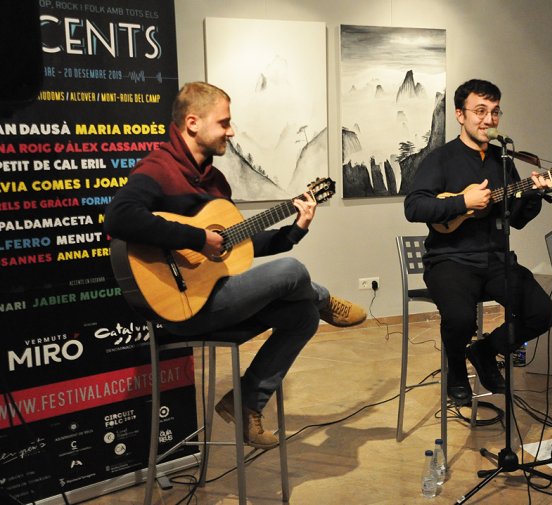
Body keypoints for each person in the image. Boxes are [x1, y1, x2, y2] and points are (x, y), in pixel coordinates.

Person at [104, 82, 367, 448]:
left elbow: (235, 246)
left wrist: (295, 229)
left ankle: (245, 402)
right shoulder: (159, 168)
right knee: (293, 272)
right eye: (224, 122)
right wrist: (197, 239)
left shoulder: (214, 181)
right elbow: (118, 219)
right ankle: (324, 298)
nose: (231, 131)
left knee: (302, 316)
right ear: (193, 123)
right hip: (183, 309)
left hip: (218, 298)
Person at [404, 79, 552, 405]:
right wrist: (462, 203)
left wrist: (534, 195)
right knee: (460, 318)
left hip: (497, 260)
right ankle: (456, 369)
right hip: (449, 259)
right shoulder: (441, 159)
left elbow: (516, 218)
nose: (488, 120)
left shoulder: (504, 160)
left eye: (495, 112)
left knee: (542, 313)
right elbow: (414, 207)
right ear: (460, 115)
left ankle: (486, 351)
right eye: (480, 111)